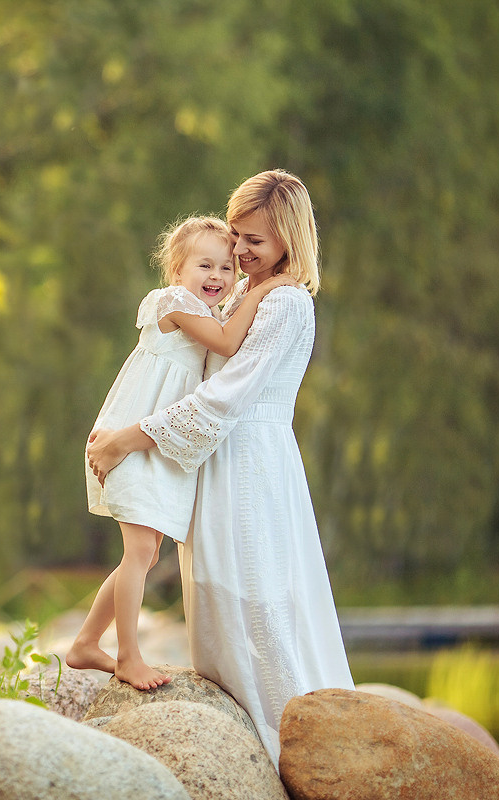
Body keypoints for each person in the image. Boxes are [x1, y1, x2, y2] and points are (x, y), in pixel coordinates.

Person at [85, 169, 355, 765]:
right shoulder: (238, 292)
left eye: (254, 242)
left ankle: (289, 742)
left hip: (250, 464)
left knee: (255, 589)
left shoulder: (284, 303)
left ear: (290, 238)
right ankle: (239, 734)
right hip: (214, 457)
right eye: (236, 235)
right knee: (218, 592)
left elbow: (225, 395)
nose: (238, 250)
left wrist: (132, 436)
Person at [67, 216, 294, 691]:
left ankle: (87, 644)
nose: (217, 276)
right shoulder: (171, 303)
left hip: (153, 443)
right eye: (204, 265)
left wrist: (248, 292)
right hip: (128, 438)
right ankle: (128, 655)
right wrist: (262, 287)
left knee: (145, 556)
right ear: (176, 270)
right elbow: (229, 343)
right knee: (140, 552)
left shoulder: (207, 311)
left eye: (228, 268)